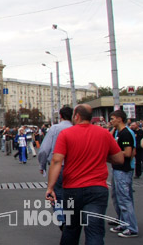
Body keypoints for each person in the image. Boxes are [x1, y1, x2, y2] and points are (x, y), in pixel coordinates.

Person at [46, 104, 124, 245]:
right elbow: (119, 159)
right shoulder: (104, 133)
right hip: (97, 189)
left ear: (76, 116)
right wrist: (101, 155)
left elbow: (56, 161)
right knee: (94, 230)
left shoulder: (66, 134)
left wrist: (50, 188)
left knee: (71, 229)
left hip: (72, 190)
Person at [38, 106, 73, 230]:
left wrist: (42, 165)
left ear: (61, 116)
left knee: (55, 195)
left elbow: (44, 150)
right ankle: (72, 219)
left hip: (58, 167)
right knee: (73, 195)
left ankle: (62, 220)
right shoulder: (76, 129)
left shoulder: (55, 128)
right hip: (75, 168)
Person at [108, 110, 139, 238]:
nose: (111, 121)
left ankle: (131, 227)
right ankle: (123, 221)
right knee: (117, 197)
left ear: (120, 119)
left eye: (112, 118)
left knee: (124, 198)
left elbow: (129, 153)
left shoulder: (126, 134)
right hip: (117, 168)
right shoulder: (118, 132)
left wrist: (113, 154)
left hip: (123, 170)